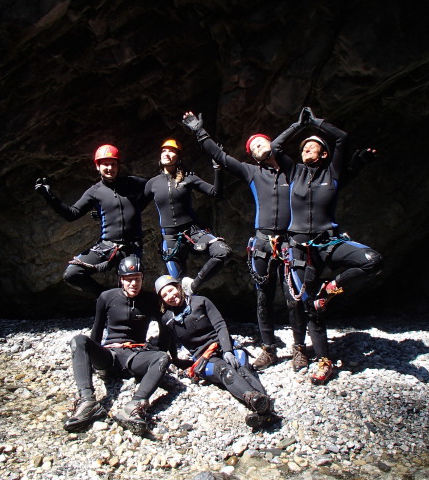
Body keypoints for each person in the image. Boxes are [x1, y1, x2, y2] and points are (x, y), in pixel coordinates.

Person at [182, 112, 308, 373]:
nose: (259, 148)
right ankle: (269, 348)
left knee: (293, 298)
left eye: (262, 143)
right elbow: (221, 158)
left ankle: (299, 348)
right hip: (262, 243)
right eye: (254, 148)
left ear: (273, 144)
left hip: (288, 242)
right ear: (251, 156)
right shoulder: (252, 172)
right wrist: (199, 132)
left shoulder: (293, 172)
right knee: (263, 297)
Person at [271, 106, 383, 385]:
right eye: (304, 147)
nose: (307, 149)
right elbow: (275, 147)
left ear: (324, 154)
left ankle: (332, 287)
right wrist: (299, 126)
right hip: (300, 249)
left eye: (313, 147)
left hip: (328, 242)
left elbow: (343, 138)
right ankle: (324, 360)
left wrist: (317, 123)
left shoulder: (332, 173)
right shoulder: (294, 171)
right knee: (312, 306)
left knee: (373, 260)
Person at [154, 274, 279, 429]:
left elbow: (220, 325)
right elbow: (165, 343)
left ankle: (264, 409)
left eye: (171, 290)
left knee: (241, 367)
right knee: (225, 370)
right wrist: (175, 360)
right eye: (164, 295)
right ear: (162, 300)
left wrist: (228, 350)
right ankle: (255, 400)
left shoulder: (201, 302)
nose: (170, 296)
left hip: (224, 345)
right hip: (204, 358)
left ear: (178, 287)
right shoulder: (167, 319)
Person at [63, 256, 170, 434]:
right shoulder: (107, 297)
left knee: (162, 358)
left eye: (136, 278)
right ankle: (88, 401)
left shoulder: (151, 300)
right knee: (79, 340)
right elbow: (96, 332)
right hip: (109, 357)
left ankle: (134, 407)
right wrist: (91, 361)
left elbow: (164, 330)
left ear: (142, 278)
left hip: (135, 357)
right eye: (128, 279)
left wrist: (164, 354)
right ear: (121, 280)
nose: (133, 283)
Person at [35, 144, 149, 296]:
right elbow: (72, 214)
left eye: (113, 164)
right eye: (105, 164)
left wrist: (137, 208)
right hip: (107, 246)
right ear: (98, 166)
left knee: (131, 287)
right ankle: (106, 298)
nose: (110, 168)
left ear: (118, 165)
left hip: (131, 248)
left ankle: (128, 310)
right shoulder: (95, 191)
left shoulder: (131, 183)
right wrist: (49, 196)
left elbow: (154, 187)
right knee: (73, 273)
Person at [144, 139, 232, 295]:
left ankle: (193, 286)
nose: (167, 153)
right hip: (170, 238)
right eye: (164, 150)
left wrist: (217, 167)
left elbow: (216, 192)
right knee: (177, 289)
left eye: (172, 151)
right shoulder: (152, 184)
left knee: (222, 252)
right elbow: (135, 207)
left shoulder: (188, 178)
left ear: (178, 157)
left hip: (193, 233)